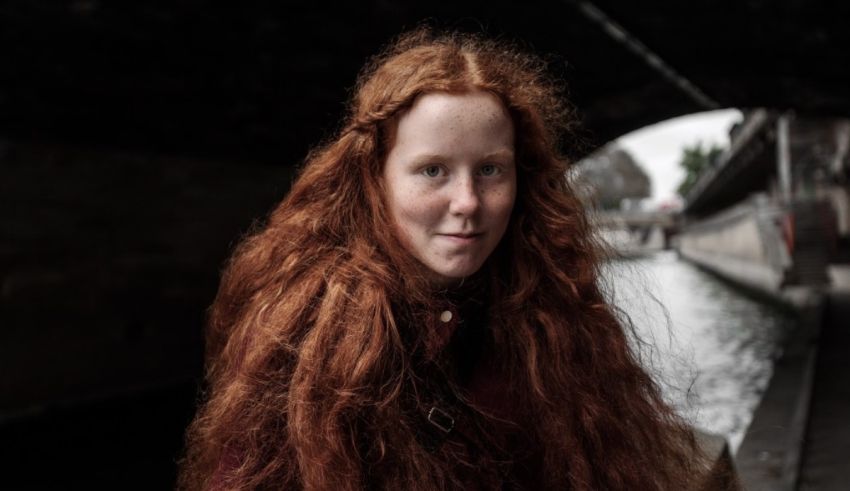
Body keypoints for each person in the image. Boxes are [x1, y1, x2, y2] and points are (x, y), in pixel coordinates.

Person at [179, 28, 718, 490]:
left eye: (490, 170)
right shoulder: (301, 330)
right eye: (432, 170)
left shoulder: (553, 310)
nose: (467, 203)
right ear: (376, 180)